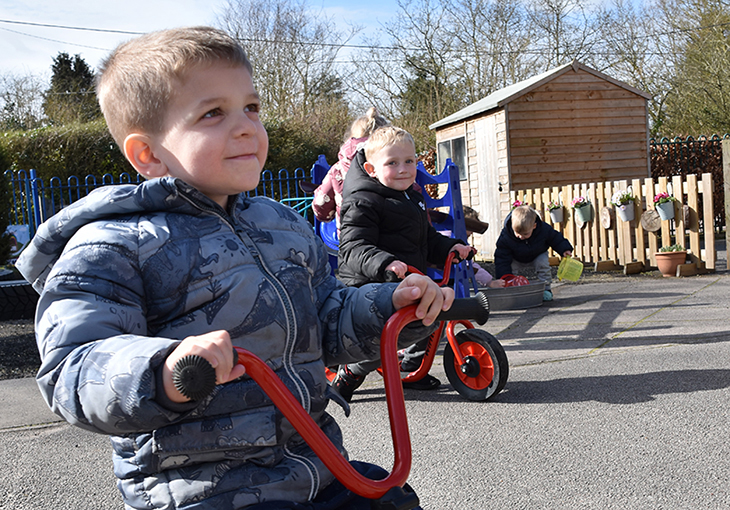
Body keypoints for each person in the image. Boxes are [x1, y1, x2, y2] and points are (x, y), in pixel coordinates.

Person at [15, 27, 454, 510]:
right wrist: (165, 369)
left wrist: (390, 306)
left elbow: (326, 316)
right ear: (148, 153)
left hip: (314, 462)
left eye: (251, 107)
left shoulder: (282, 226)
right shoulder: (114, 244)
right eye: (213, 113)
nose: (246, 126)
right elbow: (73, 366)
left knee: (393, 501)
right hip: (203, 489)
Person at [333, 126, 475, 402]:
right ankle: (352, 371)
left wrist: (450, 247)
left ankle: (412, 369)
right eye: (392, 163)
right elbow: (352, 247)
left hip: (409, 278)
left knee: (433, 307)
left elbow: (427, 239)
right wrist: (385, 263)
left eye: (409, 161)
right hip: (369, 284)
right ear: (372, 169)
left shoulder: (412, 197)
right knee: (389, 333)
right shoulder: (363, 200)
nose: (403, 169)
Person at [311, 107, 389, 229]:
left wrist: (327, 215)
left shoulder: (338, 169)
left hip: (351, 237)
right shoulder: (395, 164)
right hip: (394, 237)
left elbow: (321, 205)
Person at [494, 205, 573, 301]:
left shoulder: (543, 229)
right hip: (516, 257)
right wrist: (503, 277)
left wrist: (565, 249)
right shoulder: (506, 236)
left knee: (543, 264)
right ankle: (511, 290)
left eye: (525, 234)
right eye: (517, 233)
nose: (521, 237)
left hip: (537, 254)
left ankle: (546, 289)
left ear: (534, 226)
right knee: (510, 268)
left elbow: (555, 238)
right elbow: (501, 257)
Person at [462, 206, 504, 289]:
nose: (472, 232)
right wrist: (490, 282)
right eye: (470, 227)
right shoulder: (459, 241)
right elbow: (469, 266)